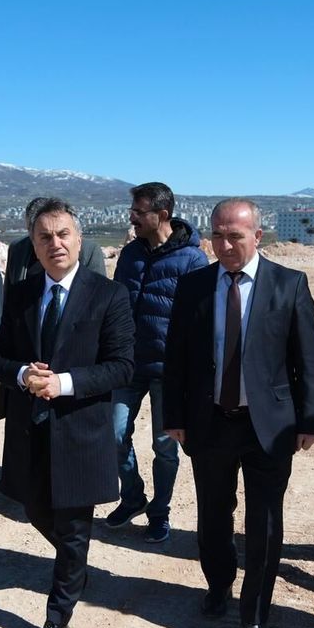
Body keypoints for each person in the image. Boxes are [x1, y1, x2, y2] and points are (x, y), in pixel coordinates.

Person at [162, 198, 314, 628]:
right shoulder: (194, 286)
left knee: (265, 522)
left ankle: (255, 616)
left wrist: (311, 418)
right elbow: (176, 357)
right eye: (218, 235)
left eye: (235, 235)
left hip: (268, 426)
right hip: (210, 422)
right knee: (213, 516)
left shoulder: (289, 284)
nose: (226, 245)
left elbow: (308, 359)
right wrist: (174, 416)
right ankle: (219, 585)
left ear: (258, 236)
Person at [0, 197, 134, 628]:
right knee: (34, 509)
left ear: (79, 238)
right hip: (30, 432)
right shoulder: (21, 294)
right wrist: (21, 374)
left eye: (63, 234)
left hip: (80, 431)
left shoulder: (108, 295)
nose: (56, 243)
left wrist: (63, 383)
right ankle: (76, 565)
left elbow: (122, 366)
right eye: (45, 237)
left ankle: (56, 620)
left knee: (72, 530)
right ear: (33, 245)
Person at [105, 181, 207, 542]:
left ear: (162, 214)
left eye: (138, 212)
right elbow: (116, 305)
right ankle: (132, 496)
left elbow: (200, 320)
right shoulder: (130, 254)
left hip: (169, 370)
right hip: (128, 364)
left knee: (165, 447)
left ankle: (159, 512)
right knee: (114, 434)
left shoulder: (193, 260)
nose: (131, 218)